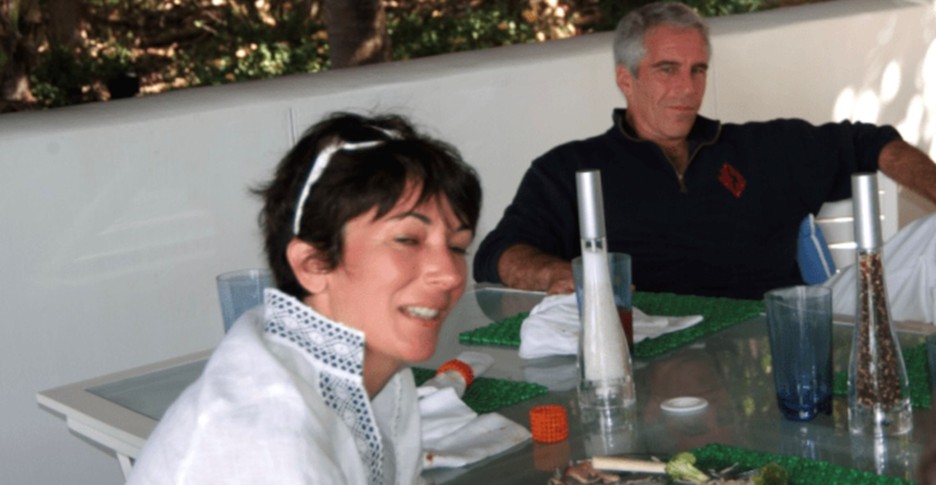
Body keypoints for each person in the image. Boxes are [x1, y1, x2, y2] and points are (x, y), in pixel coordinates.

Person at [473, 1, 936, 301]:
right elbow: (496, 254)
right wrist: (559, 277)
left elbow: (869, 143)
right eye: (667, 69)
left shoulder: (759, 148)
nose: (687, 88)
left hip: (786, 326)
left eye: (698, 70)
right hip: (649, 339)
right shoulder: (571, 168)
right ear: (625, 79)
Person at [127, 112, 482, 484]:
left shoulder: (375, 375)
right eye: (407, 240)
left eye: (458, 247)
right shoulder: (267, 443)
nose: (450, 274)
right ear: (313, 264)